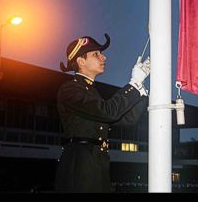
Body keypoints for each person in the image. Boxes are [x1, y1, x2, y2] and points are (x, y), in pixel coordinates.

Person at [55, 34, 150, 192]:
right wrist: (134, 84)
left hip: (97, 164)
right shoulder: (70, 90)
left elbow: (127, 120)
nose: (103, 57)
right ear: (81, 61)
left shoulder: (91, 92)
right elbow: (108, 112)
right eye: (96, 54)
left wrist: (141, 91)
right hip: (80, 166)